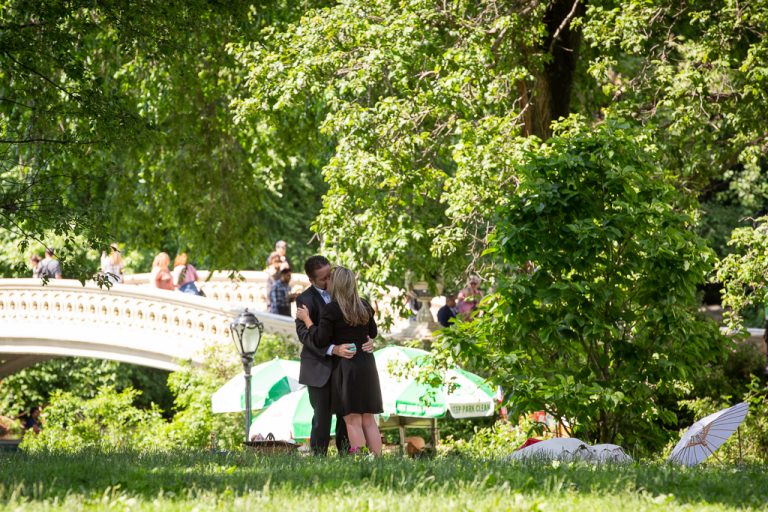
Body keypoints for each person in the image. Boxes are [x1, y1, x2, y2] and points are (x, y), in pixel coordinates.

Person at [296, 266, 383, 455]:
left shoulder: (332, 309)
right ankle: (378, 460)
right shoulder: (364, 305)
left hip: (347, 365)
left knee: (352, 419)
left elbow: (319, 339)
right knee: (368, 419)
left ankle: (358, 458)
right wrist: (367, 341)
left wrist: (307, 320)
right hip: (367, 364)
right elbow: (373, 332)